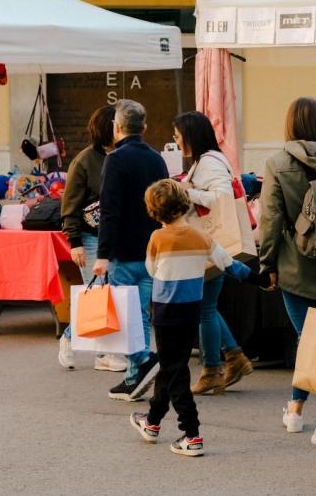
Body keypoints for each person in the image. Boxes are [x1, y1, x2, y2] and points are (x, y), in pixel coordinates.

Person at [128, 179, 256, 458]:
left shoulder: (157, 238)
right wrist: (260, 279)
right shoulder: (202, 237)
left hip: (165, 313)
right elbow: (229, 264)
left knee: (175, 372)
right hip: (190, 313)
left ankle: (191, 434)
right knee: (171, 366)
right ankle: (152, 421)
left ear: (154, 211)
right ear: (185, 203)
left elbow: (151, 270)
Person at [258, 97, 316, 443]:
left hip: (294, 264)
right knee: (311, 339)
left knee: (311, 342)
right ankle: (295, 409)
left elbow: (270, 220)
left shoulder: (277, 163)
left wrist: (267, 264)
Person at [174, 111, 254, 395]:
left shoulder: (208, 162)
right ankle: (233, 357)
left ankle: (212, 370)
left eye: (178, 135)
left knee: (204, 308)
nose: (176, 140)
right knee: (206, 306)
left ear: (191, 136)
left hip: (211, 241)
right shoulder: (208, 160)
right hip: (210, 241)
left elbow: (220, 198)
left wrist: (185, 192)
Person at [94, 100, 167, 402]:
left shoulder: (115, 159)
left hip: (123, 251)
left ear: (117, 127)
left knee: (124, 317)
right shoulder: (157, 159)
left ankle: (142, 361)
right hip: (152, 249)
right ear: (144, 127)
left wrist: (102, 254)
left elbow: (109, 210)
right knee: (141, 316)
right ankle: (134, 378)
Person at [57, 105, 125, 373]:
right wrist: (74, 242)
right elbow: (70, 204)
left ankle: (88, 346)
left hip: (118, 235)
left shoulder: (123, 156)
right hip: (90, 236)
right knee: (98, 293)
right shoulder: (84, 161)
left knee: (109, 294)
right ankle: (95, 349)